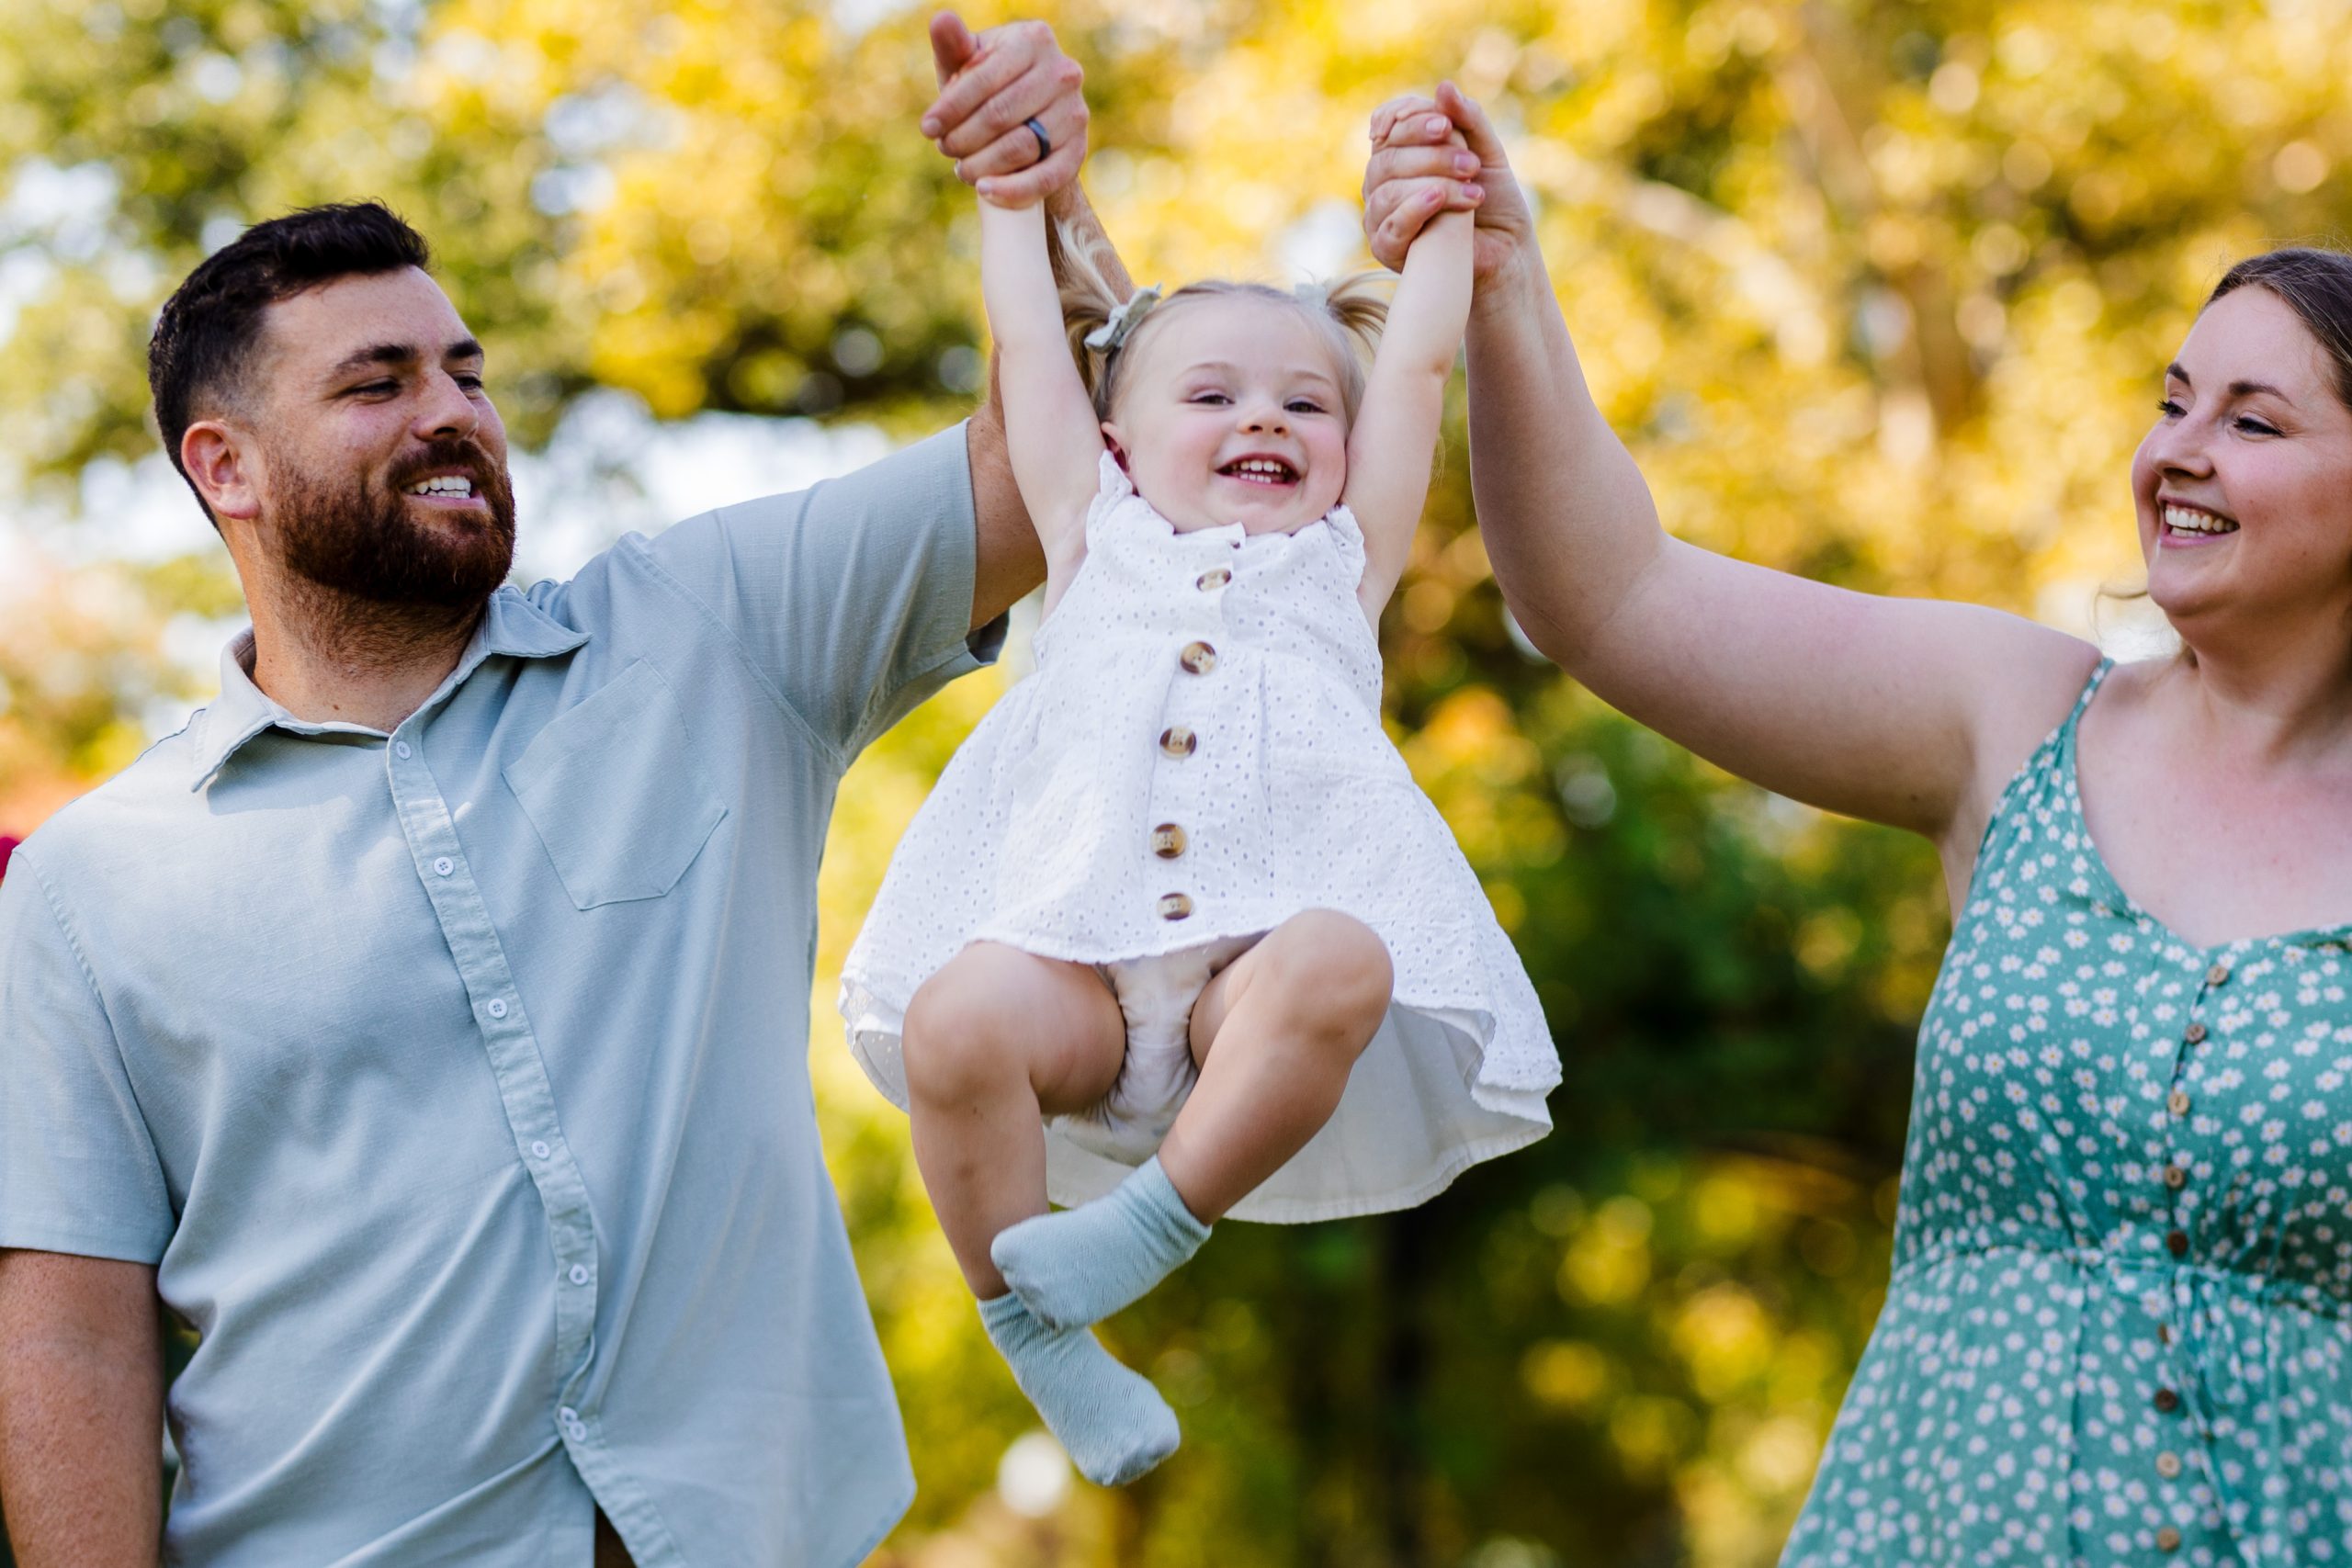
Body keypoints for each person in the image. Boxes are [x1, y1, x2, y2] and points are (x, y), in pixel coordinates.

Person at [0, 17, 1093, 1566]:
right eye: (376, 383)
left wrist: (1037, 212)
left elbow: (1053, 473)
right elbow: (70, 1333)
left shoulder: (714, 635)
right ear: (224, 468)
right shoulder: (90, 885)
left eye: (466, 371)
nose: (452, 411)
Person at [1365, 84, 2352, 1563]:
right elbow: (1616, 599)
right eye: (2171, 401)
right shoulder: (2019, 719)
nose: (2176, 451)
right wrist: (1503, 281)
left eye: (2252, 420)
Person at [836, 83, 1560, 1487]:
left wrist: (1446, 231)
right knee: (953, 1015)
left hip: (1246, 1000)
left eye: (1303, 403)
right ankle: (1031, 1336)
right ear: (1119, 443)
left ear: (1344, 452)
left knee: (1349, 955)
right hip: (1081, 998)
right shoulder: (1089, 535)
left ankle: (1156, 1221)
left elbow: (1411, 372)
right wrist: (1008, 205)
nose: (1265, 421)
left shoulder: (1339, 565)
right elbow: (1033, 351)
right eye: (1212, 396)